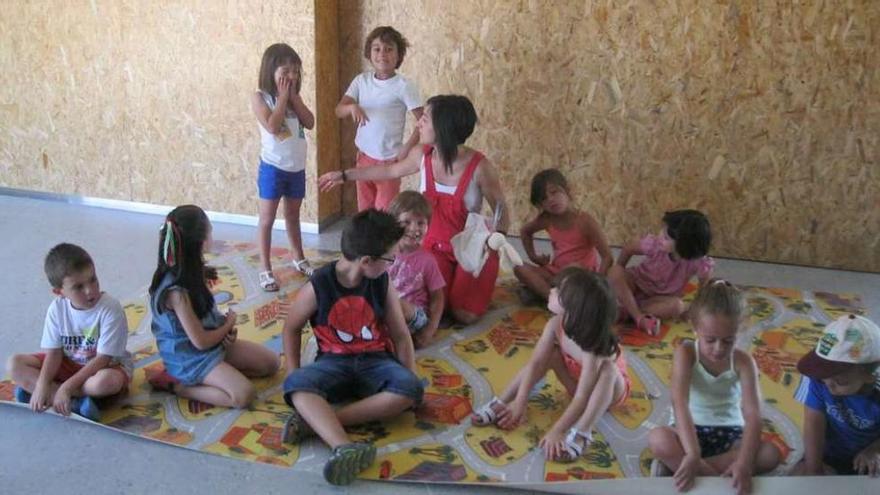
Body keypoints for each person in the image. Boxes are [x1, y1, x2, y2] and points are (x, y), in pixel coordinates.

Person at [320, 94, 510, 324]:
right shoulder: (422, 154)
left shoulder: (480, 167)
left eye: (426, 119)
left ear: (444, 127)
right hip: (433, 249)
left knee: (464, 315)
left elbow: (502, 210)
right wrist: (344, 175)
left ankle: (479, 279)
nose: (419, 122)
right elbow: (389, 171)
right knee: (423, 300)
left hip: (468, 250)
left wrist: (495, 241)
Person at [280, 209, 423, 486]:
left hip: (376, 360)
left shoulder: (381, 281)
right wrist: (292, 372)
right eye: (390, 259)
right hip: (332, 362)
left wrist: (410, 380)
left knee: (411, 387)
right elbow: (291, 327)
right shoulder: (319, 284)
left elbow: (402, 336)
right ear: (367, 261)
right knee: (296, 384)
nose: (392, 265)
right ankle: (343, 446)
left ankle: (318, 423)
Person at [470, 267, 631, 463]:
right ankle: (502, 402)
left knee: (608, 370)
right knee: (550, 355)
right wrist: (521, 401)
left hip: (607, 393)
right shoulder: (556, 324)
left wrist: (558, 430)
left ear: (575, 308)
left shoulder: (593, 347)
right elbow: (536, 363)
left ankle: (582, 432)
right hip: (576, 381)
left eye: (558, 291)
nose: (551, 291)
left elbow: (583, 396)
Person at [647, 280, 780, 494]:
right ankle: (715, 477)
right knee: (658, 439)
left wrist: (744, 463)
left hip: (730, 435)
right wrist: (692, 453)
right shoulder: (686, 353)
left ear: (740, 330)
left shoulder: (743, 361)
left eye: (728, 341)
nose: (718, 349)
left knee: (770, 454)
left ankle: (683, 470)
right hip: (689, 432)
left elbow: (753, 414)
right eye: (710, 340)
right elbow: (679, 402)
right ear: (695, 327)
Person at [148, 205, 279, 408]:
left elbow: (205, 318)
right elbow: (200, 342)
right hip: (189, 358)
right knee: (244, 395)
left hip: (212, 347)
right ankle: (179, 386)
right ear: (200, 242)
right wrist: (228, 325)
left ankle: (218, 375)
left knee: (271, 363)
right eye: (210, 230)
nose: (212, 235)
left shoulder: (193, 270)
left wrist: (226, 333)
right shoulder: (176, 293)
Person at [7, 243, 132, 422]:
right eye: (78, 287)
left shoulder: (110, 308)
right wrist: (42, 385)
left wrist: (66, 387)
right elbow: (54, 353)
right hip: (67, 363)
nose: (90, 290)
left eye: (93, 279)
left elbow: (103, 359)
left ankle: (54, 396)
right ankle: (70, 402)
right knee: (14, 364)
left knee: (106, 383)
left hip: (103, 367)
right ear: (59, 292)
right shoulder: (56, 309)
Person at [335, 26, 423, 211]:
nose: (382, 54)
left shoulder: (403, 86)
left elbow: (423, 121)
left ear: (399, 55)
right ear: (369, 53)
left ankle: (385, 241)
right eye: (377, 49)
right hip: (363, 158)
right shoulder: (361, 81)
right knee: (365, 213)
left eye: (389, 49)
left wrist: (407, 147)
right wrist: (351, 106)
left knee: (385, 215)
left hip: (389, 161)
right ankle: (366, 241)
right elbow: (339, 110)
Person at [251, 43, 316, 291]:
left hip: (296, 169)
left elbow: (309, 122)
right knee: (267, 219)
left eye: (295, 71)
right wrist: (281, 100)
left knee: (293, 216)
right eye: (285, 71)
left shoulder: (294, 100)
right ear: (271, 71)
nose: (291, 76)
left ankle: (298, 257)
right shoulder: (260, 97)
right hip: (273, 168)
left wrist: (294, 98)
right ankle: (265, 269)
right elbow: (272, 126)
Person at [792, 313, 880, 477]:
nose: (828, 385)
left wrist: (874, 450)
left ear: (869, 376)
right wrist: (814, 469)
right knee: (798, 477)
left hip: (868, 457)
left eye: (840, 381)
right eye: (823, 376)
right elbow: (813, 424)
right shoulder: (817, 379)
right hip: (829, 452)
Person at [607, 209, 715, 335]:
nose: (660, 236)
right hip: (636, 283)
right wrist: (620, 278)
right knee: (615, 271)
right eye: (662, 231)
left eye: (666, 237)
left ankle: (630, 310)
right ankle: (637, 316)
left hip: (657, 300)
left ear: (683, 247)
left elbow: (704, 289)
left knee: (677, 306)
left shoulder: (698, 262)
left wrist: (694, 310)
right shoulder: (655, 244)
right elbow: (628, 248)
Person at [514, 168, 613, 300]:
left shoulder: (585, 221)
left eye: (554, 192)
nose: (551, 200)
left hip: (581, 277)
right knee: (518, 266)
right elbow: (525, 231)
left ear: (567, 190)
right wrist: (533, 257)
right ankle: (552, 298)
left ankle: (546, 293)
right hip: (556, 273)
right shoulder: (547, 218)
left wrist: (597, 285)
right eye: (544, 198)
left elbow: (607, 257)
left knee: (572, 268)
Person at [387, 191, 445, 348]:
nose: (414, 229)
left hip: (415, 316)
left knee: (397, 305)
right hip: (387, 313)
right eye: (406, 222)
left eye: (421, 223)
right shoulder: (384, 253)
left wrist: (429, 331)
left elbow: (437, 298)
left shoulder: (428, 260)